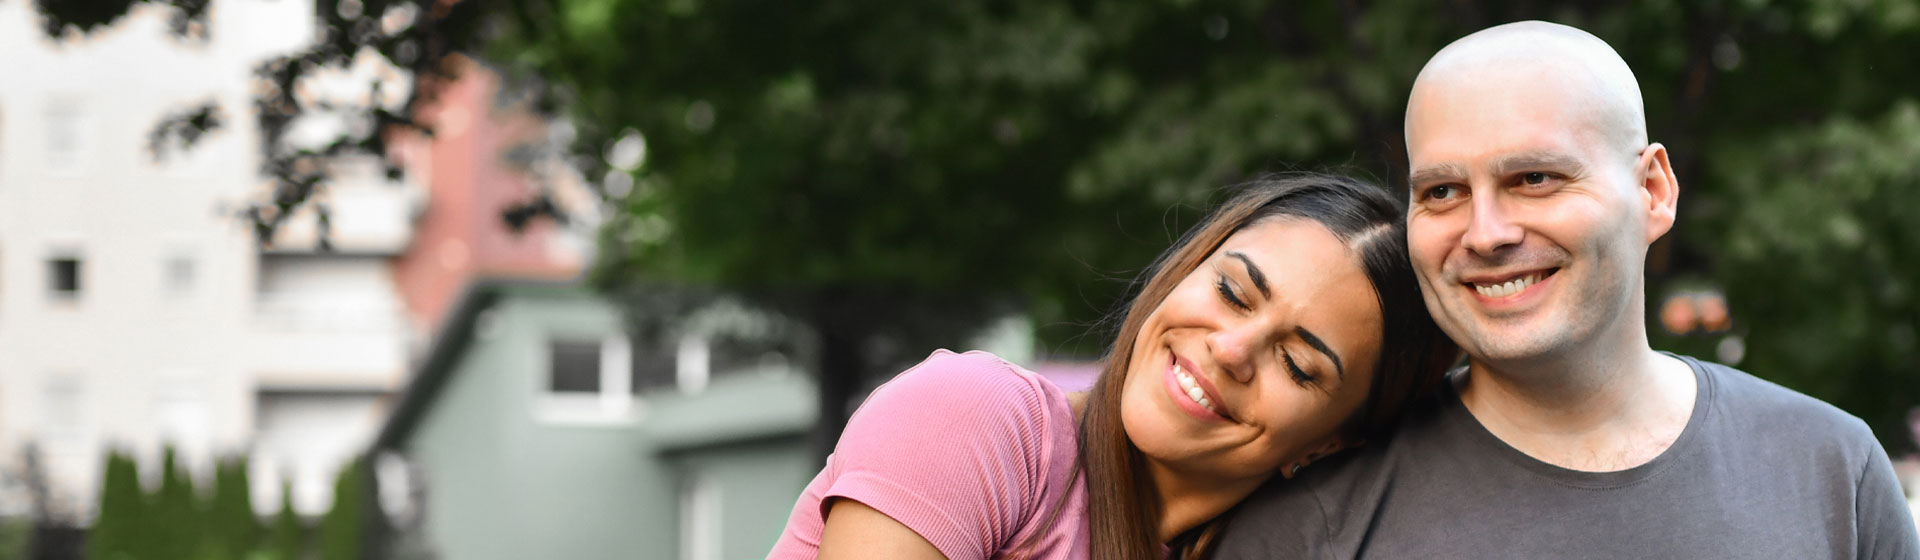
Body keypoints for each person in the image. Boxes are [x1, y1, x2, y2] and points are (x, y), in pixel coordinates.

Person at [1213, 21, 1920, 559]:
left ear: (1652, 190)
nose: (1484, 232)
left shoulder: (1829, 470)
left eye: (1534, 178)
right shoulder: (1309, 523)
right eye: (1443, 191)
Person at [767, 174, 1459, 559]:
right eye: (1231, 291)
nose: (1230, 349)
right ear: (1185, 269)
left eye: (1299, 366)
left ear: (1330, 441)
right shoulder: (979, 418)